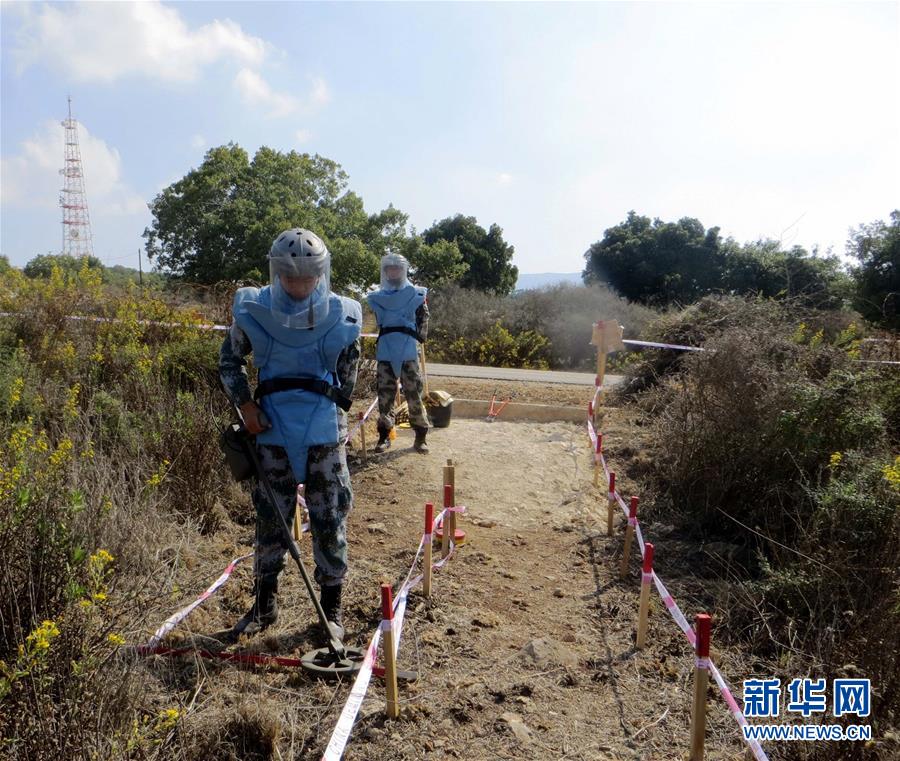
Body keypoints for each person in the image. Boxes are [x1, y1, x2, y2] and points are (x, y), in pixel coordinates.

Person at [219, 228, 361, 641]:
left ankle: (331, 609)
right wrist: (246, 406)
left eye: (308, 276)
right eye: (291, 276)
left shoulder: (344, 313)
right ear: (277, 272)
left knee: (329, 516)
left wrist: (332, 408)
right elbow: (229, 361)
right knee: (271, 519)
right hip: (271, 430)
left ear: (321, 273)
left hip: (322, 432)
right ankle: (264, 607)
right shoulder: (252, 309)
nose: (300, 284)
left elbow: (348, 374)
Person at [366, 253, 431, 454]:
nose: (393, 271)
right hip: (386, 347)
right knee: (385, 394)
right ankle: (384, 436)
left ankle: (420, 436)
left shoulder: (416, 293)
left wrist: (420, 337)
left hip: (407, 348)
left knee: (413, 392)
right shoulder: (377, 297)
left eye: (397, 268)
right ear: (385, 272)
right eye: (389, 269)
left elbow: (424, 317)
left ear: (403, 271)